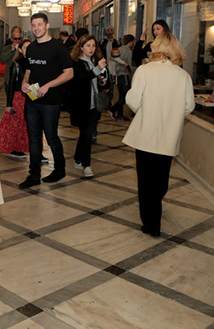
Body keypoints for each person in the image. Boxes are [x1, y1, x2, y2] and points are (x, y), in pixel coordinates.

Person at [122, 33, 194, 237]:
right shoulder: (183, 76)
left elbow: (133, 101)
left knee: (145, 182)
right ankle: (156, 204)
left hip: (145, 134)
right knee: (161, 179)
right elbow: (189, 106)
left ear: (157, 48)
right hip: (168, 136)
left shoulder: (144, 71)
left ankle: (151, 224)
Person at [19, 13, 74, 188]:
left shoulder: (58, 47)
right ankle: (34, 175)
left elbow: (69, 73)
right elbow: (28, 70)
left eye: (39, 25)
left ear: (47, 25)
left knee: (51, 137)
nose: (36, 28)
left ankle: (59, 169)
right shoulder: (32, 48)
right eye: (33, 25)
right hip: (33, 100)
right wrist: (24, 83)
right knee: (33, 138)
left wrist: (48, 85)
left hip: (51, 101)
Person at [70, 35, 108, 179]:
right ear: (81, 48)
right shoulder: (77, 63)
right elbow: (80, 80)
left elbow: (95, 81)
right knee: (86, 135)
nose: (91, 48)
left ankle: (78, 159)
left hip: (93, 105)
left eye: (93, 45)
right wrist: (97, 70)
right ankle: (86, 165)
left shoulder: (93, 62)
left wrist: (102, 80)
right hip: (82, 106)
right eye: (88, 45)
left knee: (85, 134)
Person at [0, 39, 31, 158]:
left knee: (26, 124)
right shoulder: (16, 64)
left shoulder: (33, 63)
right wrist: (9, 104)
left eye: (30, 47)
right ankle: (14, 148)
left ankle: (22, 147)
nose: (28, 50)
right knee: (15, 124)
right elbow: (11, 84)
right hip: (19, 97)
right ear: (20, 50)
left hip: (31, 97)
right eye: (25, 48)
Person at [108, 34, 136, 121]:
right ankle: (113, 109)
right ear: (130, 42)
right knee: (126, 96)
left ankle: (119, 116)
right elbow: (130, 64)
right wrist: (137, 70)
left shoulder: (118, 49)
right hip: (124, 75)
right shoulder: (129, 51)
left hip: (117, 75)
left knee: (121, 95)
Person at [0, 26, 23, 100]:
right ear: (11, 39)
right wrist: (12, 50)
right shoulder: (6, 48)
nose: (17, 41)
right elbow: (2, 60)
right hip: (9, 78)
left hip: (21, 78)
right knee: (10, 101)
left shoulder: (24, 48)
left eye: (19, 39)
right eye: (15, 39)